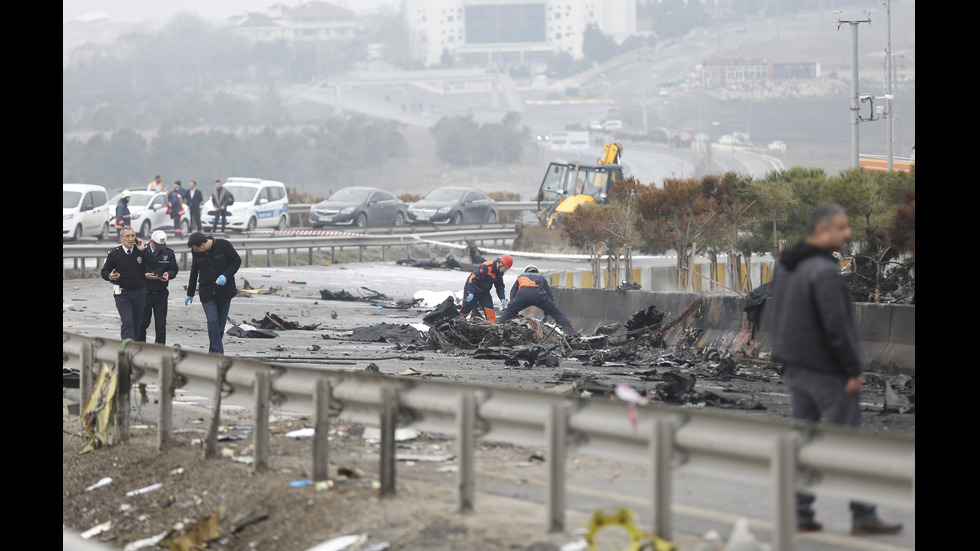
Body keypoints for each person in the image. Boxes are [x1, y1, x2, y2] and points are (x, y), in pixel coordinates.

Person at [770, 204, 903, 536]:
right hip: (828, 371)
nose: (848, 234)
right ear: (821, 231)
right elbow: (838, 326)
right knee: (850, 445)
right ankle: (863, 517)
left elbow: (779, 315)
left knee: (805, 442)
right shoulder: (823, 271)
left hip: (797, 368)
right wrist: (852, 369)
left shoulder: (786, 266)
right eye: (842, 228)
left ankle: (800, 513)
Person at [184, 231, 242, 354]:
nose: (195, 251)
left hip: (225, 291)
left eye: (196, 249)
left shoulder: (224, 245)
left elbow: (236, 261)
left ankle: (213, 353)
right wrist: (190, 292)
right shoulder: (196, 251)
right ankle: (218, 352)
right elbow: (194, 271)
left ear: (203, 244)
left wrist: (226, 275)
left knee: (220, 326)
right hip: (207, 292)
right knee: (212, 320)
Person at [101, 226, 159, 341]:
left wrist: (144, 250)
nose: (131, 239)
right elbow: (104, 272)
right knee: (128, 322)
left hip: (139, 293)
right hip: (123, 294)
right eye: (128, 236)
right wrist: (110, 276)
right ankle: (126, 349)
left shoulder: (140, 251)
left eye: (133, 236)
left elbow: (155, 264)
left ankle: (135, 350)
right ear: (121, 238)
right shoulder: (114, 254)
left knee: (137, 324)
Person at [497, 265, 575, 335]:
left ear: (526, 271)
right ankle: (571, 332)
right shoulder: (541, 277)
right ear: (536, 271)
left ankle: (498, 328)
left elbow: (513, 292)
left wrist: (513, 307)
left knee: (508, 312)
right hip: (540, 295)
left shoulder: (521, 276)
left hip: (523, 296)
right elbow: (550, 296)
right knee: (557, 314)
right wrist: (546, 313)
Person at [137, 230, 179, 345]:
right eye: (156, 246)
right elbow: (133, 270)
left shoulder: (168, 253)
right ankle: (141, 347)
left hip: (160, 293)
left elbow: (174, 269)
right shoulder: (140, 251)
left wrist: (168, 275)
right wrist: (144, 275)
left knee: (161, 324)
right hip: (144, 293)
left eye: (161, 246)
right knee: (142, 323)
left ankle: (160, 348)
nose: (158, 249)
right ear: (151, 242)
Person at [459, 255, 512, 323]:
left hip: (484, 293)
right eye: (506, 268)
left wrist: (502, 298)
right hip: (473, 290)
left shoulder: (500, 272)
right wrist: (471, 292)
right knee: (464, 311)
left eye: (507, 269)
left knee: (490, 313)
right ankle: (455, 324)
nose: (506, 270)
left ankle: (494, 329)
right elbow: (472, 279)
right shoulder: (486, 267)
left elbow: (500, 286)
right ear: (501, 263)